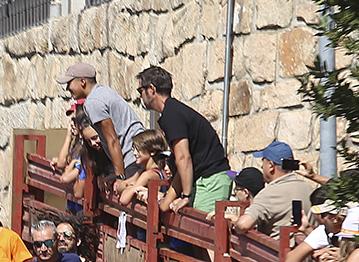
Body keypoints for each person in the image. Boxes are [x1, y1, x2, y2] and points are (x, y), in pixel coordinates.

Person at [135, 65, 232, 211]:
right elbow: (182, 164)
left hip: (211, 179)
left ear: (152, 89)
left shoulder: (172, 115)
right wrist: (165, 203)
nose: (140, 95)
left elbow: (183, 158)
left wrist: (185, 196)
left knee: (200, 230)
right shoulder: (172, 112)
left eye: (140, 90)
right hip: (202, 179)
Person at [60, 63, 142, 178]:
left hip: (131, 158)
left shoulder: (93, 102)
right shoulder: (103, 91)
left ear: (83, 82)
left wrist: (120, 176)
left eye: (69, 83)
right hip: (138, 153)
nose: (67, 88)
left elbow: (113, 140)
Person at [232, 143, 318, 236]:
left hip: (278, 249)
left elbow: (242, 225)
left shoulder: (268, 194)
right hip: (307, 247)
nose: (261, 167)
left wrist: (235, 224)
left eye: (263, 163)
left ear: (271, 166)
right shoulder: (307, 187)